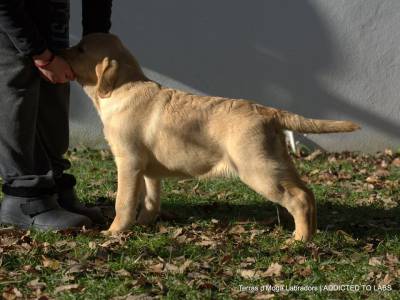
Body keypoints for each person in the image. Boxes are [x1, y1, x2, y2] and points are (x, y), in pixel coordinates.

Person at [0, 0, 112, 229]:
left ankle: (54, 190)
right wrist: (41, 56)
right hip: (10, 24)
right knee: (18, 89)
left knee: (55, 91)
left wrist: (94, 42)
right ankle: (25, 200)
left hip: (52, 21)